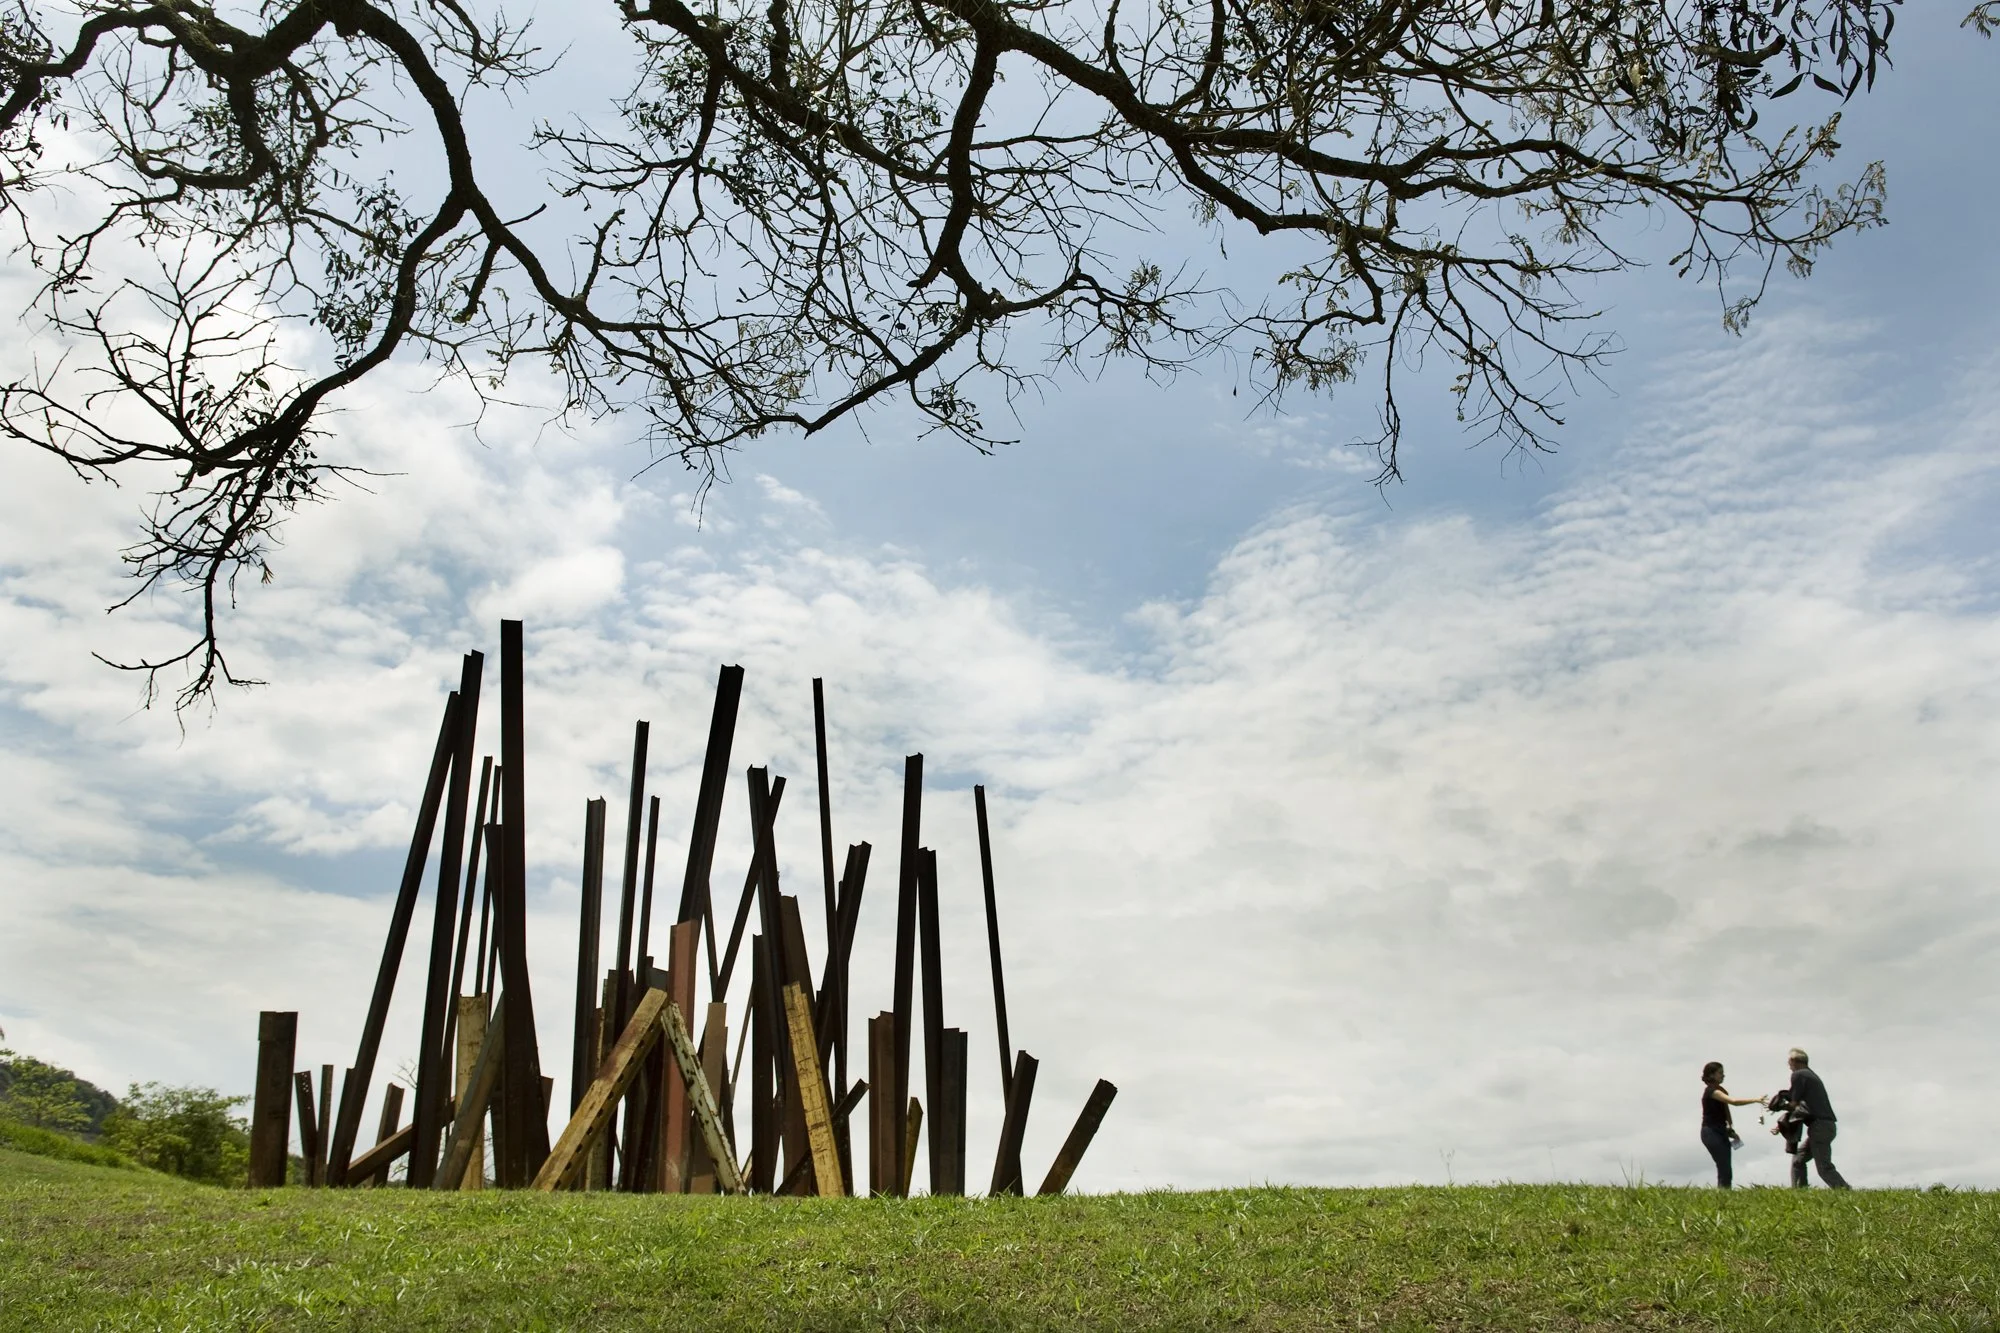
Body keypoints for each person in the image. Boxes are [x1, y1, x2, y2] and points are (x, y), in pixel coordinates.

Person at [1783, 1047, 1850, 1189]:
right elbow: (1802, 1107)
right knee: (1798, 1160)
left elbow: (1794, 1104)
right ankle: (1800, 1193)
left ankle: (1844, 1190)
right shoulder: (1810, 1075)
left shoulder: (1799, 1075)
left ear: (1794, 1061)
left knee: (1824, 1167)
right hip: (1825, 1126)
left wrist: (1777, 1106)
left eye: (1788, 1062)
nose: (1788, 1066)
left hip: (1820, 1126)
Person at [1699, 1061, 1761, 1189]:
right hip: (1711, 1131)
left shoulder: (1718, 1090)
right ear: (1711, 1075)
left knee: (1726, 1167)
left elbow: (1720, 1115)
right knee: (1724, 1166)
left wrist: (1730, 1131)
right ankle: (1723, 1195)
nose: (1723, 1075)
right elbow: (1734, 1102)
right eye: (1720, 1073)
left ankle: (1725, 1192)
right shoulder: (1712, 1091)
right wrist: (1756, 1100)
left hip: (1720, 1130)